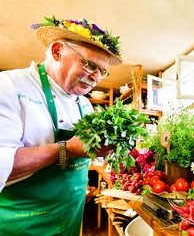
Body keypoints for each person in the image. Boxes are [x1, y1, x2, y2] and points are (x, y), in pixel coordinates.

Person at [0, 16, 122, 235]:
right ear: (57, 51)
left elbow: (85, 152)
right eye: (91, 65)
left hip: (70, 218)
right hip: (23, 224)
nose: (96, 78)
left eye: (102, 72)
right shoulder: (9, 86)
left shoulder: (84, 103)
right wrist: (66, 149)